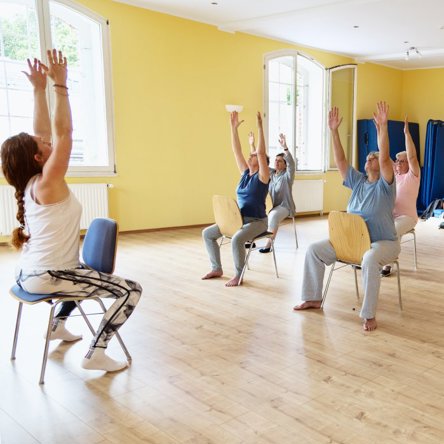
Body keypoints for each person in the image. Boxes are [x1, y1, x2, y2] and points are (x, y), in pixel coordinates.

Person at [1, 50, 142, 372]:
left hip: (29, 274)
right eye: (42, 145)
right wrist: (60, 87)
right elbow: (63, 133)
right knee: (131, 291)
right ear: (38, 158)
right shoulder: (49, 181)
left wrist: (38, 90)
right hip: (49, 278)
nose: (47, 142)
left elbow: (45, 135)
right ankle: (97, 353)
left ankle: (57, 326)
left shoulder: (30, 182)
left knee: (79, 271)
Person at [293, 103, 400, 332]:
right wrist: (333, 131)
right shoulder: (358, 181)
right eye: (368, 157)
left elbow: (385, 158)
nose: (370, 159)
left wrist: (382, 127)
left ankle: (368, 315)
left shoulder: (385, 185)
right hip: (352, 242)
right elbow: (341, 161)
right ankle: (313, 298)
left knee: (370, 260)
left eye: (374, 158)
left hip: (383, 243)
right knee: (314, 250)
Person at [202, 111, 270, 287]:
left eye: (253, 155)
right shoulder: (245, 173)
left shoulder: (263, 177)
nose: (250, 155)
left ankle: (239, 275)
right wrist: (233, 128)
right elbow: (236, 150)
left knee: (237, 239)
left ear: (261, 161)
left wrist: (260, 127)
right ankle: (216, 268)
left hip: (257, 221)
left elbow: (261, 154)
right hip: (238, 219)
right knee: (207, 234)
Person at [381, 117, 420, 276]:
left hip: (407, 217)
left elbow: (412, 157)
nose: (398, 163)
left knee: (393, 230)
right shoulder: (395, 176)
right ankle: (367, 257)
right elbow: (383, 155)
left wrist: (406, 133)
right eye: (397, 161)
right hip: (391, 215)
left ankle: (388, 263)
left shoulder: (413, 175)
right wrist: (380, 129)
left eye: (401, 161)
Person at [249, 133, 295, 253]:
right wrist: (252, 145)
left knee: (273, 216)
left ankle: (269, 244)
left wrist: (285, 147)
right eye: (276, 160)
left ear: (285, 165)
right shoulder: (270, 173)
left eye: (280, 161)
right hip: (270, 206)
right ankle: (250, 240)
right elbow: (259, 162)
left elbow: (292, 164)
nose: (276, 162)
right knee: (252, 210)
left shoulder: (287, 176)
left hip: (284, 206)